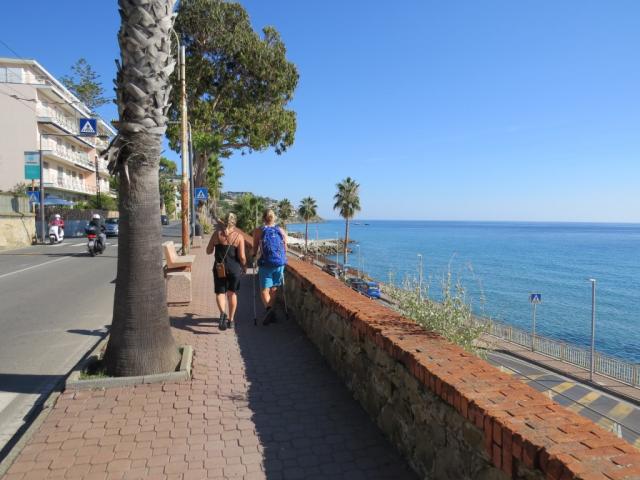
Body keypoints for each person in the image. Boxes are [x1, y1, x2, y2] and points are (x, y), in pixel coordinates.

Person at [206, 212, 246, 330]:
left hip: (219, 268)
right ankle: (231, 320)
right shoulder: (239, 237)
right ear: (235, 222)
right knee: (232, 293)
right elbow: (242, 257)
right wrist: (244, 266)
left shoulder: (216, 234)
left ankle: (223, 313)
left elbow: (208, 251)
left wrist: (216, 245)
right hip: (234, 269)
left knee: (220, 292)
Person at [252, 209, 287, 325]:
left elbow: (255, 248)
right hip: (279, 264)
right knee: (274, 288)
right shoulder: (280, 230)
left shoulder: (259, 231)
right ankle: (271, 312)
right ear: (274, 218)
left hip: (266, 264)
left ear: (263, 218)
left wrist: (253, 256)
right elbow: (285, 248)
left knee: (264, 290)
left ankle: (269, 311)